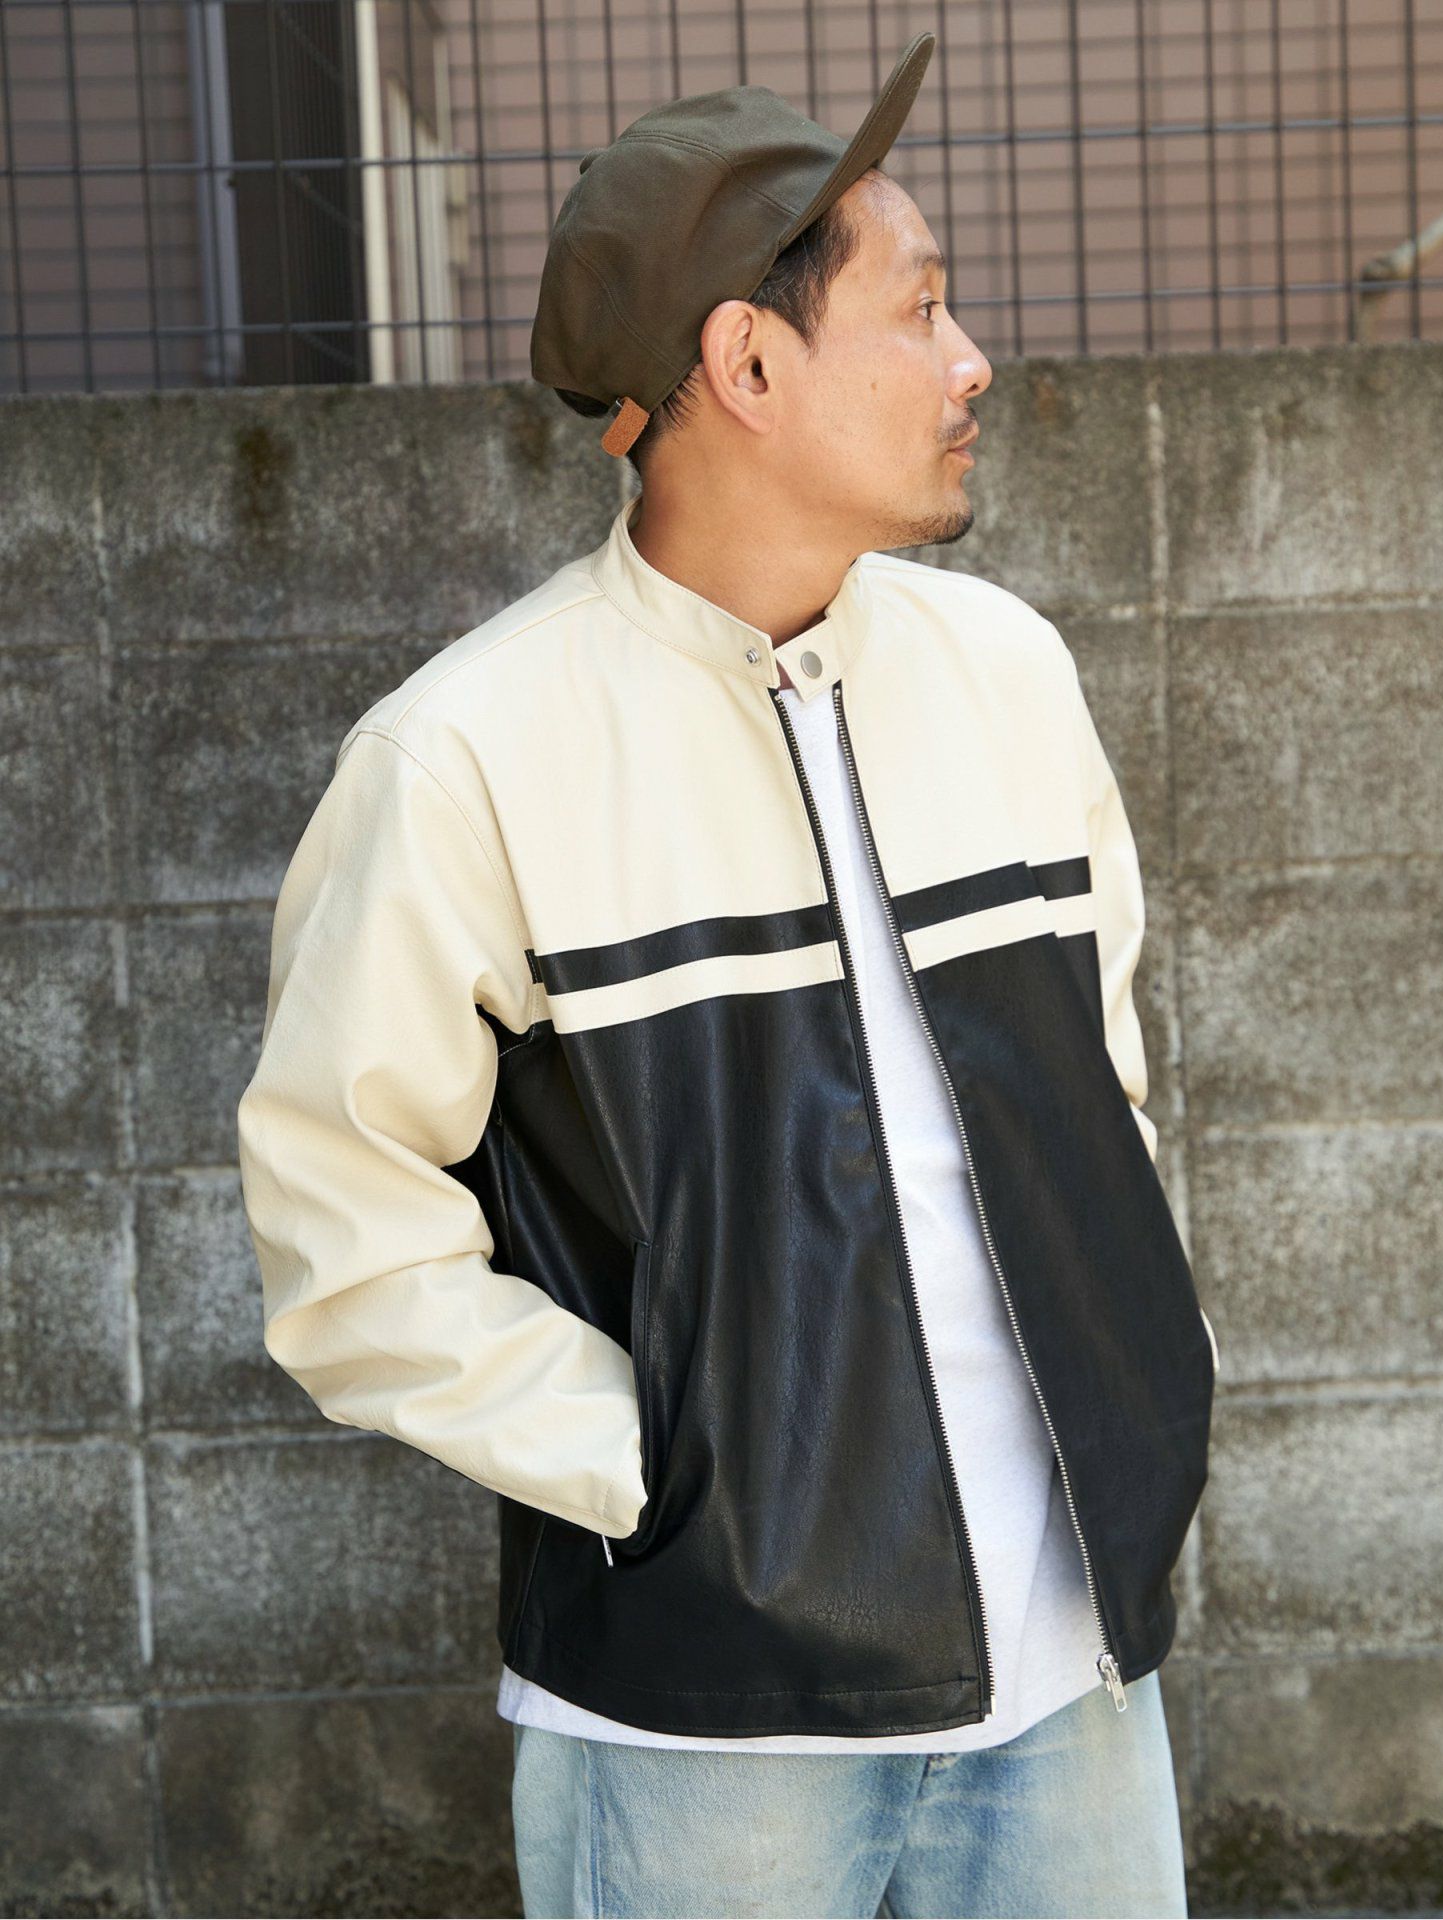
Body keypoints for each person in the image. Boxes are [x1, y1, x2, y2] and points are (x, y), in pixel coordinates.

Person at [236, 30, 1217, 1919]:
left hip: (1076, 1671)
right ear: (749, 366)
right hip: (702, 1721)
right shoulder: (466, 759)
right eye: (918, 308)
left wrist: (1138, 1374)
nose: (971, 359)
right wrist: (679, 1480)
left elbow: (1103, 1088)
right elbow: (342, 1237)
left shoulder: (1008, 674)